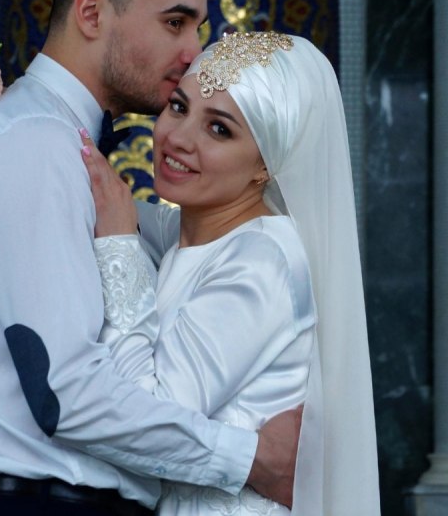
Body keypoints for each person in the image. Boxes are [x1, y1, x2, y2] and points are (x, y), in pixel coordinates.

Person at [0, 0, 302, 516]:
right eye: (175, 23)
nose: (193, 53)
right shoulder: (38, 143)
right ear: (91, 13)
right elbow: (65, 395)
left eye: (197, 28)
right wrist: (251, 460)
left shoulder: (61, 142)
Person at [79, 32, 381, 515]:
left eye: (219, 129)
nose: (178, 138)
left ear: (265, 165)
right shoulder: (193, 231)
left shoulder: (262, 259)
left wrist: (116, 245)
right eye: (179, 107)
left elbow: (146, 412)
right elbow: (107, 208)